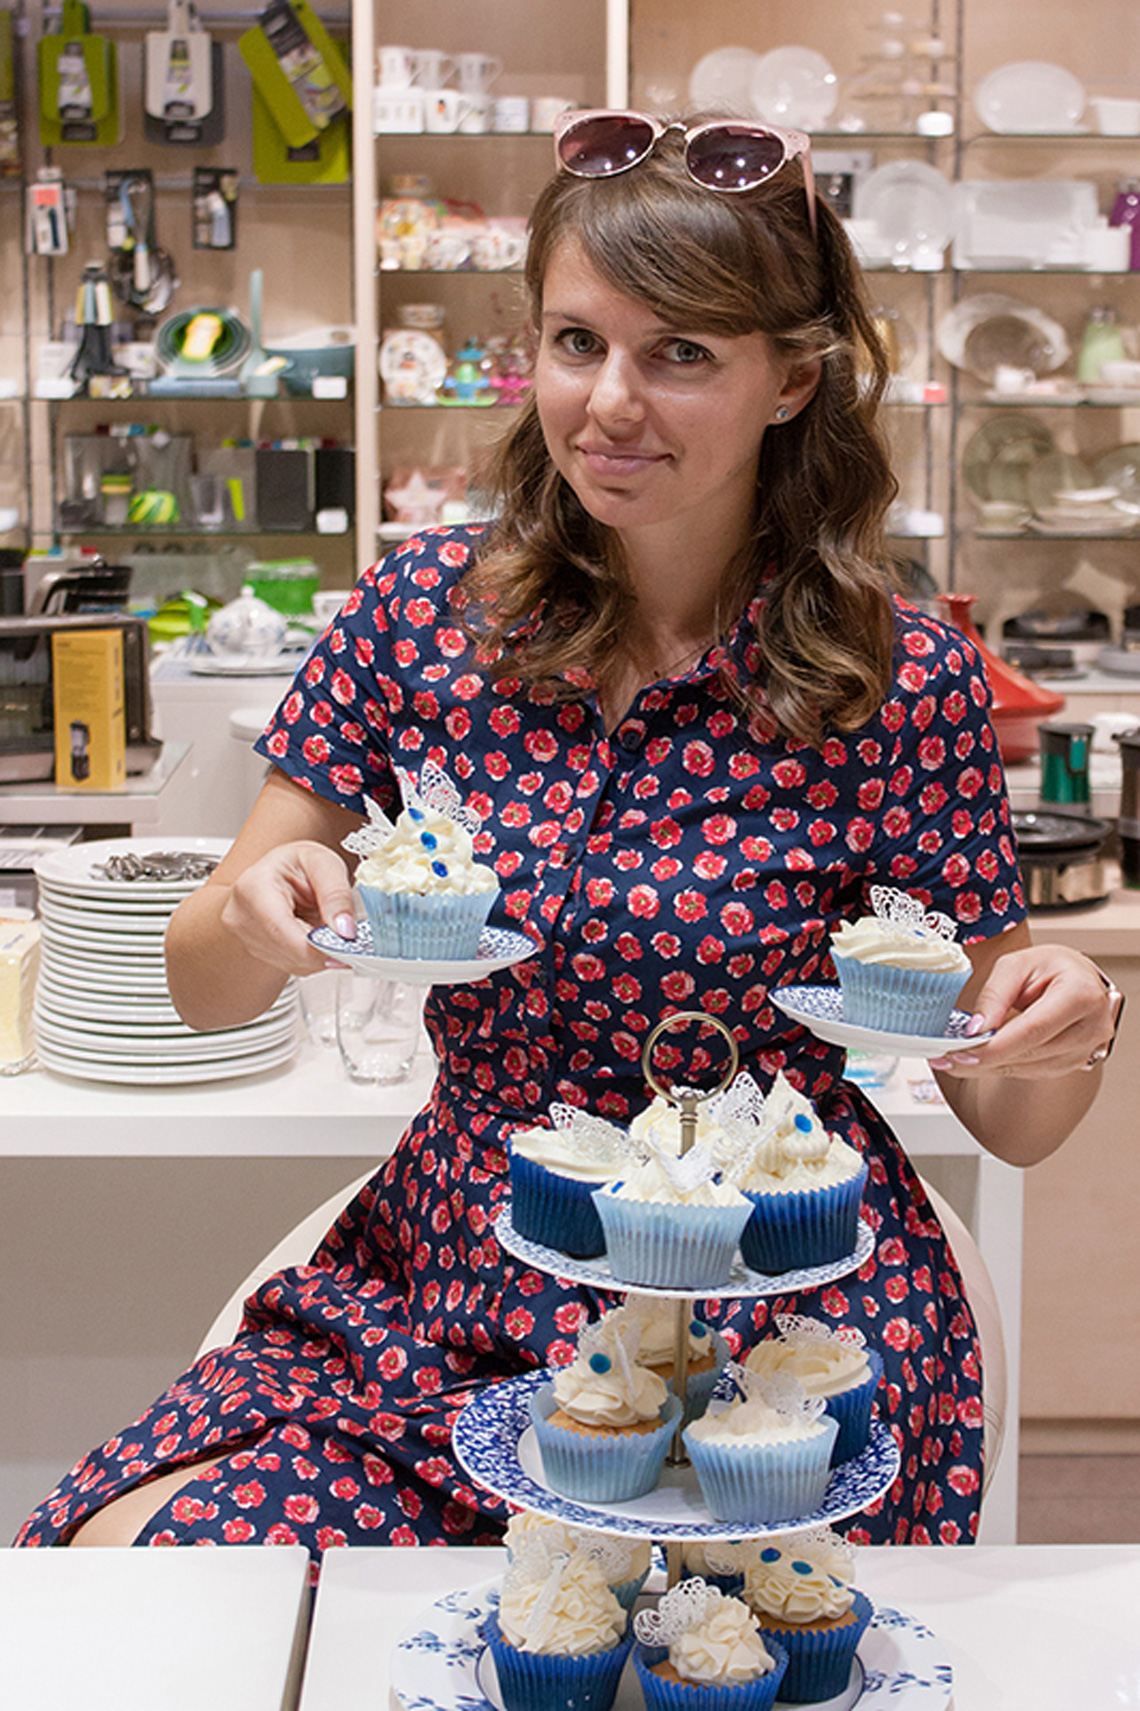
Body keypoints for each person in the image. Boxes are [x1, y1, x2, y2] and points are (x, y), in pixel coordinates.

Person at [19, 112, 1120, 1557]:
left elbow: (1010, 1112)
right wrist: (253, 910)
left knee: (708, 1645)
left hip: (773, 1313)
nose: (609, 402)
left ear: (791, 379)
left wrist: (1069, 1027)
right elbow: (196, 981)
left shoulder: (895, 676)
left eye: (681, 354)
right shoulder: (421, 613)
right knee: (138, 1566)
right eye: (575, 341)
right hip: (450, 1291)